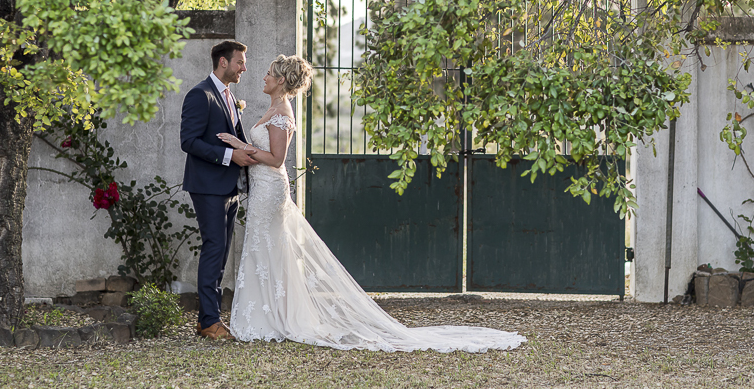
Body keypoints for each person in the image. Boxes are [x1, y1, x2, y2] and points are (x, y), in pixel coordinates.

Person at [219, 55, 525, 352]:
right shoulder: (274, 107)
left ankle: (270, 321)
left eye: (269, 74)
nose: (263, 77)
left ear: (281, 80)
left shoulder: (282, 113)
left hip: (270, 189)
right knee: (267, 250)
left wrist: (241, 145)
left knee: (267, 247)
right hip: (262, 188)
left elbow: (276, 159)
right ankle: (265, 317)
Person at [180, 41, 258, 340]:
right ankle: (209, 321)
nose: (244, 68)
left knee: (222, 251)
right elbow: (189, 141)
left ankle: (208, 320)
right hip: (208, 187)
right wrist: (229, 157)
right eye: (240, 62)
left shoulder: (229, 96)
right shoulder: (200, 95)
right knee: (214, 248)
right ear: (223, 62)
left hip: (230, 186)